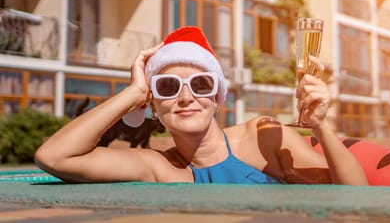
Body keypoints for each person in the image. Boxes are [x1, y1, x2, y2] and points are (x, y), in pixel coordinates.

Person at [35, 26, 367, 185]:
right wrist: (134, 93)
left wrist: (321, 126)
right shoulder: (159, 168)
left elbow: (356, 196)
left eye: (200, 84)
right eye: (166, 87)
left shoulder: (263, 137)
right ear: (154, 106)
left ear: (217, 97)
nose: (185, 96)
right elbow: (53, 157)